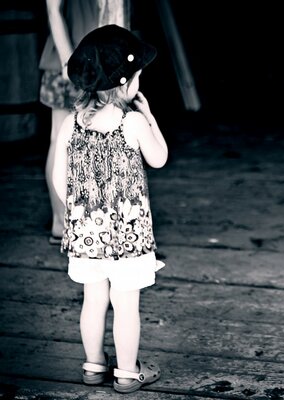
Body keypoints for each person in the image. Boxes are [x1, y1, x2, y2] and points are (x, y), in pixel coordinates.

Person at [52, 24, 167, 393]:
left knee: (93, 299)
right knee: (126, 304)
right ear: (127, 83)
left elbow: (58, 179)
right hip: (129, 236)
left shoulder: (71, 123)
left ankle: (93, 365)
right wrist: (150, 117)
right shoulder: (132, 122)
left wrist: (78, 213)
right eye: (137, 75)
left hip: (86, 233)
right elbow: (160, 158)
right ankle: (128, 372)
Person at [40, 0, 130, 244]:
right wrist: (69, 62)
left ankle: (99, 217)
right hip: (72, 64)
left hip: (105, 66)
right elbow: (53, 9)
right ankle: (61, 220)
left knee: (107, 135)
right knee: (61, 139)